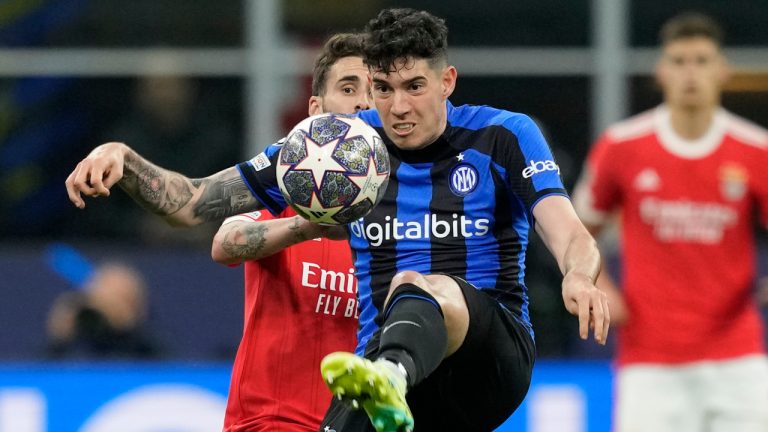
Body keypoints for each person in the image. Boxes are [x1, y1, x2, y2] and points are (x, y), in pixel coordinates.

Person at [65, 8, 609, 432]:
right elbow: (192, 202)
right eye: (384, 88)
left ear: (447, 80)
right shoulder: (338, 149)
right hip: (381, 379)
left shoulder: (502, 135)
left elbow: (565, 228)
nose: (398, 107)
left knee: (420, 284)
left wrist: (579, 273)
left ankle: (390, 374)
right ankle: (386, 379)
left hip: (488, 361)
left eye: (415, 87)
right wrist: (125, 159)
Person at [572, 12, 768, 432]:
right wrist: (598, 286)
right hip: (650, 363)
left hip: (738, 359)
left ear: (722, 70)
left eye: (701, 60)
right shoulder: (622, 146)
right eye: (679, 61)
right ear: (662, 71)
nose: (690, 73)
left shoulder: (756, 150)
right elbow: (575, 231)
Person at [209, 33, 370, 432]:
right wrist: (307, 226)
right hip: (269, 421)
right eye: (349, 88)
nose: (364, 102)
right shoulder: (289, 185)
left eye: (376, 89)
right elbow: (225, 245)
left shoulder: (407, 209)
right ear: (316, 109)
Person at [46, 262, 160, 359]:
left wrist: (123, 330)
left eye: (118, 299)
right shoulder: (74, 348)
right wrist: (61, 339)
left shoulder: (153, 355)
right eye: (99, 297)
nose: (106, 307)